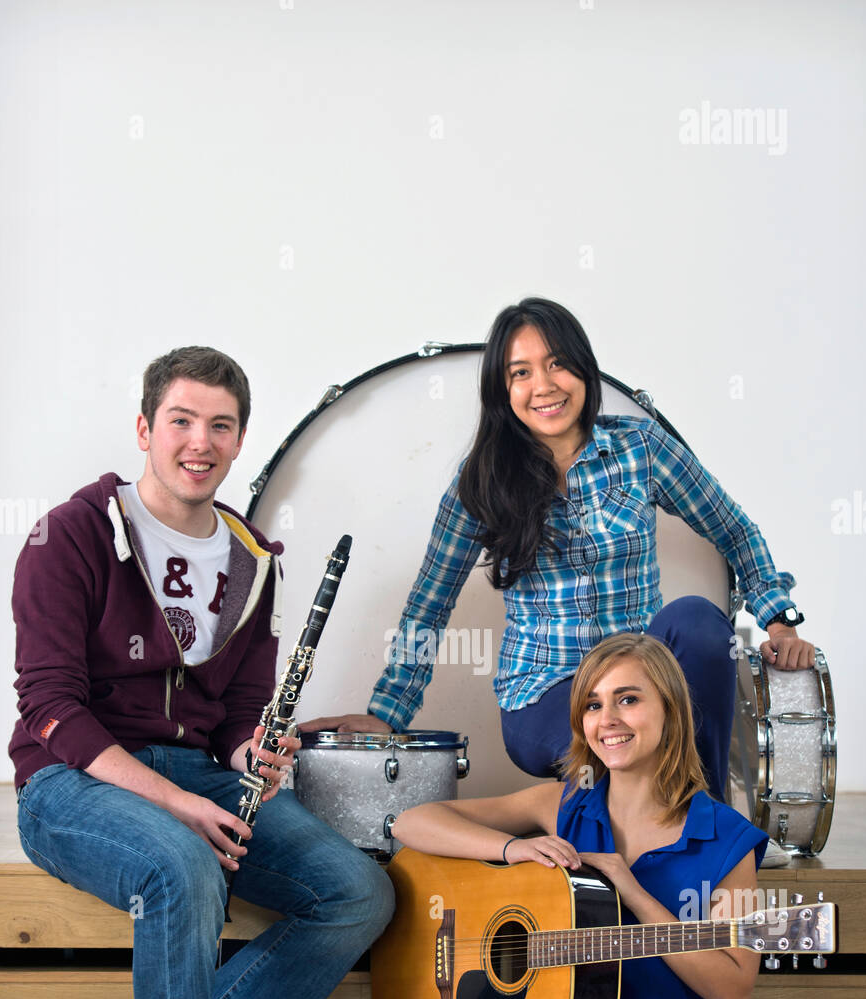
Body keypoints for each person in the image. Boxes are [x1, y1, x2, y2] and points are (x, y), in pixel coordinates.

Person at [9, 346, 394, 999]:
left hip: (198, 779)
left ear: (239, 439)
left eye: (220, 425)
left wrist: (253, 747)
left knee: (358, 894)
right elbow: (50, 707)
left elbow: (234, 716)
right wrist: (180, 802)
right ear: (145, 429)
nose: (200, 441)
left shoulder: (253, 558)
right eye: (181, 420)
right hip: (72, 779)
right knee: (180, 868)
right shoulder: (70, 535)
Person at [301, 297, 815, 863]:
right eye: (519, 373)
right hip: (545, 695)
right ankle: (643, 837)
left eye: (556, 364)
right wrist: (387, 713)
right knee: (613, 743)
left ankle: (711, 830)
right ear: (504, 391)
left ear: (583, 369)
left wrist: (777, 620)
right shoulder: (480, 484)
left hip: (642, 678)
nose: (543, 385)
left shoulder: (640, 449)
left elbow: (735, 530)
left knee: (696, 621)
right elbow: (428, 607)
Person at [335, 632, 768, 999]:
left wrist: (635, 892)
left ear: (671, 709)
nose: (607, 719)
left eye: (628, 700)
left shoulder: (726, 838)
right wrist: (512, 849)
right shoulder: (564, 802)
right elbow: (413, 822)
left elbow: (733, 990)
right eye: (592, 704)